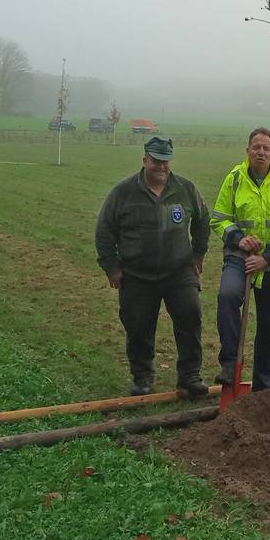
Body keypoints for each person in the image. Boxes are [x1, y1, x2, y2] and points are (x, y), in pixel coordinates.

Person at [95, 136, 210, 398]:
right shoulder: (122, 193)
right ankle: (143, 377)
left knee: (190, 316)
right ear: (145, 159)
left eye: (165, 161)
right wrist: (111, 268)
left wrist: (198, 254)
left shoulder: (185, 189)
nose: (160, 166)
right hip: (136, 275)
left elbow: (203, 220)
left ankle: (190, 376)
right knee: (138, 327)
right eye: (156, 161)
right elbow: (104, 231)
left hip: (179, 271)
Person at [211, 127, 270, 390]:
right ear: (247, 150)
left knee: (269, 326)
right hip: (240, 256)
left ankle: (263, 387)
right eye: (256, 147)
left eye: (266, 148)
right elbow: (218, 218)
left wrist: (267, 257)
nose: (260, 152)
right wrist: (239, 238)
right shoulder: (235, 178)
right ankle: (229, 364)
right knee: (227, 296)